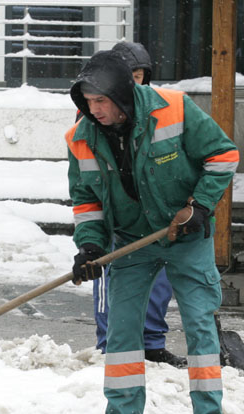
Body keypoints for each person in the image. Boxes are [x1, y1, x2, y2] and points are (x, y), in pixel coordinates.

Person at [65, 48, 239, 414]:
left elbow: (224, 156)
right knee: (122, 330)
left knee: (198, 326)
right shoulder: (81, 136)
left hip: (185, 237)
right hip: (130, 240)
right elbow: (85, 198)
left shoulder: (175, 109)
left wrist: (199, 206)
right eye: (88, 103)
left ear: (123, 96)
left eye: (102, 101)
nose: (95, 111)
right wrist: (90, 243)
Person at [92, 42, 186, 370]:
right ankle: (110, 342)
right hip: (116, 215)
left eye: (139, 75)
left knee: (159, 276)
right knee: (111, 275)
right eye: (128, 75)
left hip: (155, 213)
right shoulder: (96, 110)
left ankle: (152, 343)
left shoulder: (158, 109)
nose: (135, 82)